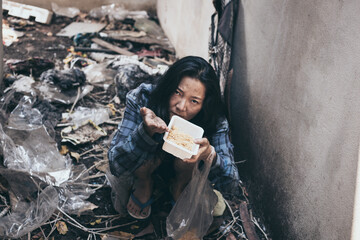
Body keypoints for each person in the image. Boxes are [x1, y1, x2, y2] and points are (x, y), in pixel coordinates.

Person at [108, 56, 239, 220]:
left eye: (194, 101)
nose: (181, 106)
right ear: (168, 87)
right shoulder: (143, 99)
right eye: (178, 92)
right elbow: (115, 164)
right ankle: (144, 182)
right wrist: (145, 132)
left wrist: (209, 155)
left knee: (187, 157)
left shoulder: (215, 120)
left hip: (184, 173)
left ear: (204, 104)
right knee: (139, 143)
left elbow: (231, 184)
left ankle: (179, 187)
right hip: (145, 165)